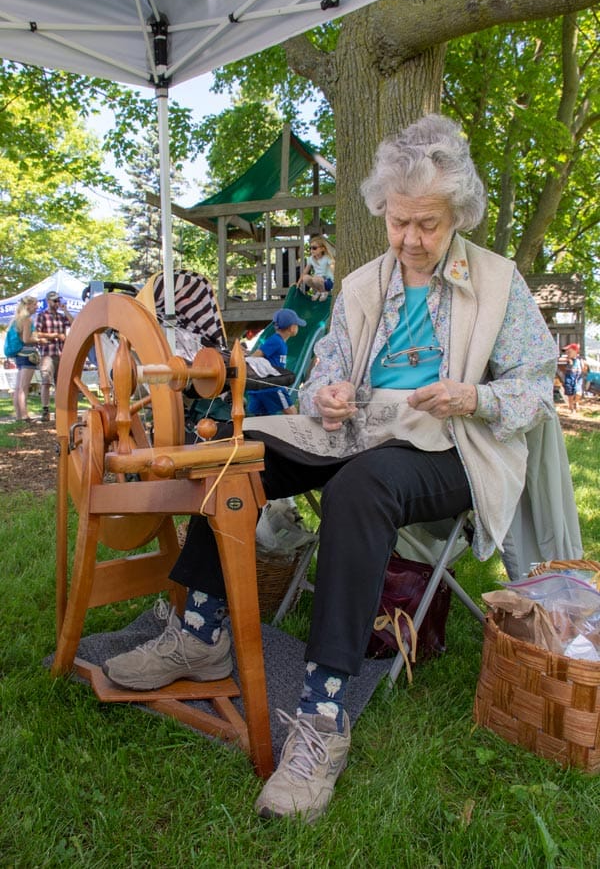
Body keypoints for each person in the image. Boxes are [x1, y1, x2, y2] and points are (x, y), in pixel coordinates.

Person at [103, 114, 561, 823]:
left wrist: (475, 395)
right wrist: (329, 392)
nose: (409, 239)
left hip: (455, 446)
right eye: (398, 221)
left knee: (359, 488)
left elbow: (538, 385)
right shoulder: (360, 286)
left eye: (427, 225)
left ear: (458, 216)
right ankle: (201, 630)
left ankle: (321, 717)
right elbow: (326, 372)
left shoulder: (499, 283)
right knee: (239, 447)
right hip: (359, 430)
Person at [245, 308, 306, 417]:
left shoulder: (279, 341)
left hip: (261, 389)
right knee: (292, 413)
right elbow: (256, 356)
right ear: (292, 328)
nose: (297, 327)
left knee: (260, 418)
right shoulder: (276, 341)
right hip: (273, 386)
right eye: (297, 325)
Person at [4, 296, 44, 422]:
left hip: (18, 355)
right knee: (24, 387)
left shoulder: (16, 320)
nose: (37, 307)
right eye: (35, 304)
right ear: (28, 305)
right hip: (27, 355)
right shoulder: (27, 320)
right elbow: (26, 339)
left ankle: (18, 415)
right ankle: (25, 415)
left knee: (18, 387)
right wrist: (39, 339)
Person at [35, 290, 73, 422]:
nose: (57, 303)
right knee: (46, 381)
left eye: (58, 301)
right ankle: (45, 410)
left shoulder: (62, 317)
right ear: (48, 301)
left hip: (61, 353)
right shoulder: (42, 316)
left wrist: (66, 310)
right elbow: (37, 334)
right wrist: (56, 336)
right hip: (47, 353)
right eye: (54, 301)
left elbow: (74, 324)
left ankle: (59, 411)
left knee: (60, 384)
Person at [297, 235, 335, 301]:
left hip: (328, 282)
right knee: (305, 278)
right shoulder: (311, 259)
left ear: (322, 249)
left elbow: (332, 266)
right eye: (310, 248)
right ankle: (319, 291)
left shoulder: (327, 257)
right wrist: (299, 282)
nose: (312, 250)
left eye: (314, 248)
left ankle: (324, 292)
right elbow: (305, 271)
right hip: (318, 281)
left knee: (315, 279)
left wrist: (335, 277)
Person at [562, 343, 584, 414]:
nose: (567, 353)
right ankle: (571, 407)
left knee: (578, 393)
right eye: (567, 352)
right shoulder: (567, 360)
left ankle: (576, 402)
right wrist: (569, 362)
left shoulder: (580, 359)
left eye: (569, 352)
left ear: (575, 351)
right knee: (570, 393)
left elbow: (583, 368)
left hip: (578, 376)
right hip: (570, 376)